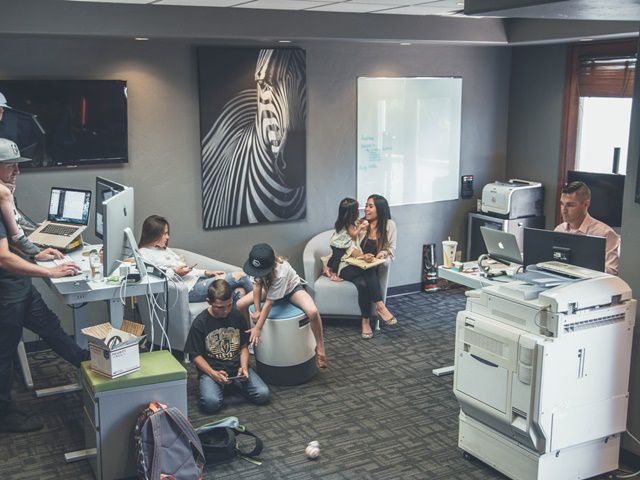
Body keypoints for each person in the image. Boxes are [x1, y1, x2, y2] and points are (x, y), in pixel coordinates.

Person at [0, 137, 88, 433]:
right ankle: (4, 415)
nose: (17, 172)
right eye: (10, 166)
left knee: (50, 327)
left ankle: (89, 368)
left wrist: (37, 252)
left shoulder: (5, 195)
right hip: (6, 294)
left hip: (20, 287)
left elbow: (15, 238)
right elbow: (3, 258)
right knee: (4, 353)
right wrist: (49, 272)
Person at [183, 279, 270, 413]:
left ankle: (232, 384)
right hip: (212, 370)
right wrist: (213, 374)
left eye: (229, 305)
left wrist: (244, 367)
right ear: (209, 302)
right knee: (211, 404)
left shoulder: (237, 316)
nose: (226, 311)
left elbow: (243, 347)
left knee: (263, 394)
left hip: (236, 368)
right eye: (220, 307)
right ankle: (227, 385)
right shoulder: (200, 322)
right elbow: (195, 356)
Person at [236, 243, 327, 369]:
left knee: (312, 312)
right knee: (240, 304)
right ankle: (248, 340)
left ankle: (320, 348)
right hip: (269, 290)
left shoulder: (281, 271)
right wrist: (256, 310)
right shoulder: (254, 267)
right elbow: (257, 286)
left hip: (291, 290)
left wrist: (258, 327)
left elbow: (269, 303)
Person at [138, 215, 253, 304]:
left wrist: (206, 273)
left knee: (239, 292)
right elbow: (154, 276)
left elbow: (186, 269)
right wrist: (175, 272)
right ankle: (262, 307)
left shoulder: (164, 249)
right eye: (164, 234)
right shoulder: (143, 254)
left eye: (167, 233)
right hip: (188, 290)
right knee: (240, 276)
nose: (168, 237)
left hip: (196, 280)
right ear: (153, 234)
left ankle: (238, 325)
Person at [338, 194, 398, 340]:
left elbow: (391, 247)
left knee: (363, 284)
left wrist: (384, 252)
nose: (366, 209)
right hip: (348, 265)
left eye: (370, 206)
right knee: (368, 268)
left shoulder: (389, 225)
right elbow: (349, 247)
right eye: (366, 206)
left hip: (367, 268)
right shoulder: (359, 224)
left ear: (380, 209)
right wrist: (362, 256)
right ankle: (380, 306)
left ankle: (365, 322)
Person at [555, 181, 620, 275]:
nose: (564, 210)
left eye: (570, 205)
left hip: (590, 283)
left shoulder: (605, 233)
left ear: (586, 204)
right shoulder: (559, 230)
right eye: (562, 204)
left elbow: (612, 272)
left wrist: (582, 270)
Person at [323, 197, 368, 282]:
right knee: (337, 259)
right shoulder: (349, 224)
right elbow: (353, 234)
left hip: (334, 243)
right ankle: (334, 275)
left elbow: (356, 222)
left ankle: (327, 269)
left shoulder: (342, 221)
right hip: (340, 245)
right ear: (353, 213)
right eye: (357, 209)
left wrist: (359, 222)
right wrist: (360, 227)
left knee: (334, 256)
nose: (358, 211)